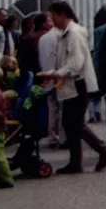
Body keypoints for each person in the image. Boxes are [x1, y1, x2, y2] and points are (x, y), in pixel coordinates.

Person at [43, 1, 106, 173]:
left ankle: (103, 150)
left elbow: (75, 62)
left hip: (78, 83)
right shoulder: (67, 34)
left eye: (54, 17)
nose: (53, 21)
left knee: (75, 123)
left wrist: (57, 73)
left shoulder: (73, 34)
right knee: (71, 124)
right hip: (73, 83)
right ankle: (76, 161)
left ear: (62, 15)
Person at [37, 13, 62, 148]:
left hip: (47, 75)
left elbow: (42, 59)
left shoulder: (42, 39)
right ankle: (62, 137)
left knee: (52, 108)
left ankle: (53, 136)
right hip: (59, 76)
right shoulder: (59, 36)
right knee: (60, 108)